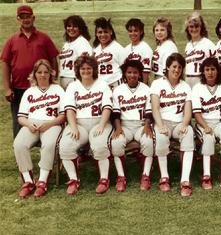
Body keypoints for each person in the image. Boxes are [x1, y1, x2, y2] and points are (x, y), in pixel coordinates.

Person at [1, 5, 59, 138]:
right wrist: (7, 89)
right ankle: (20, 149)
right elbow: (5, 64)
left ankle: (47, 146)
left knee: (43, 118)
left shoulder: (43, 38)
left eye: (28, 17)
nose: (25, 20)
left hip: (41, 88)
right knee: (19, 121)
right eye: (22, 17)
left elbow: (53, 59)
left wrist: (53, 79)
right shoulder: (12, 40)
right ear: (18, 19)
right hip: (19, 88)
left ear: (33, 18)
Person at [59, 55, 113, 195]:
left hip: (99, 121)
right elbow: (69, 109)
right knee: (65, 145)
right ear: (78, 70)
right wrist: (73, 127)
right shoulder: (73, 86)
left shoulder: (102, 84)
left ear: (94, 69)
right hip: (79, 124)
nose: (86, 71)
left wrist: (102, 125)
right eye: (82, 68)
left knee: (100, 144)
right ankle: (73, 180)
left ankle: (104, 179)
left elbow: (107, 107)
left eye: (89, 68)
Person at [13, 59, 65, 198]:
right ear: (34, 74)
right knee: (19, 144)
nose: (43, 75)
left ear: (51, 74)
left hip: (52, 124)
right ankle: (28, 181)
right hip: (32, 125)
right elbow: (21, 117)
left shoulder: (58, 89)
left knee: (48, 145)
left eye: (46, 72)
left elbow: (63, 115)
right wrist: (29, 124)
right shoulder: (30, 92)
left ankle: (42, 181)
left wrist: (50, 124)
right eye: (39, 72)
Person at [150, 52, 194, 197]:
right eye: (174, 67)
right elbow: (155, 108)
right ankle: (164, 177)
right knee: (161, 138)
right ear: (167, 67)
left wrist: (185, 124)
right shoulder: (157, 83)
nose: (177, 70)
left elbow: (188, 111)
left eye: (180, 68)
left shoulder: (185, 86)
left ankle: (185, 180)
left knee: (188, 134)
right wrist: (161, 125)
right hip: (162, 122)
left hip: (179, 123)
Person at [192, 57, 221, 190]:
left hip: (220, 122)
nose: (210, 72)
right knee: (208, 139)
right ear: (202, 72)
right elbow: (197, 114)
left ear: (218, 71)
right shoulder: (198, 88)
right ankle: (206, 175)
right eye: (207, 69)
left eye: (213, 69)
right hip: (203, 123)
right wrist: (205, 127)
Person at [111, 59, 154, 192]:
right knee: (117, 143)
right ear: (124, 74)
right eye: (129, 72)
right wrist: (118, 128)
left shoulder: (146, 89)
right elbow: (116, 113)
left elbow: (149, 111)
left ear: (140, 74)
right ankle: (121, 176)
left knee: (148, 141)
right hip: (124, 125)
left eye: (135, 72)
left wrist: (147, 126)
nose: (132, 75)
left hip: (141, 124)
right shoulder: (118, 90)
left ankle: (145, 175)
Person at [93, 17, 128, 89]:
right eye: (100, 32)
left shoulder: (118, 49)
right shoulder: (95, 50)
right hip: (101, 86)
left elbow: (126, 70)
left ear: (111, 32)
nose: (102, 35)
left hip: (116, 85)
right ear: (96, 34)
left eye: (105, 32)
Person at [59, 15, 92, 90]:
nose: (71, 29)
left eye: (75, 26)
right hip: (64, 78)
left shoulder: (82, 42)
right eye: (69, 26)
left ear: (80, 28)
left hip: (75, 79)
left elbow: (86, 63)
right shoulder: (67, 44)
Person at [184, 11, 216, 88]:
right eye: (191, 26)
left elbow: (215, 66)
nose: (194, 29)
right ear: (187, 28)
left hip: (201, 80)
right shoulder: (188, 45)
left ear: (201, 28)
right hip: (188, 79)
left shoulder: (208, 44)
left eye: (197, 26)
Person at [125, 18, 153, 85]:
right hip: (128, 85)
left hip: (141, 84)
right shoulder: (126, 49)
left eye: (135, 31)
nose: (133, 33)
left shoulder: (146, 48)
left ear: (141, 32)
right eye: (130, 31)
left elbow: (145, 73)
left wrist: (143, 89)